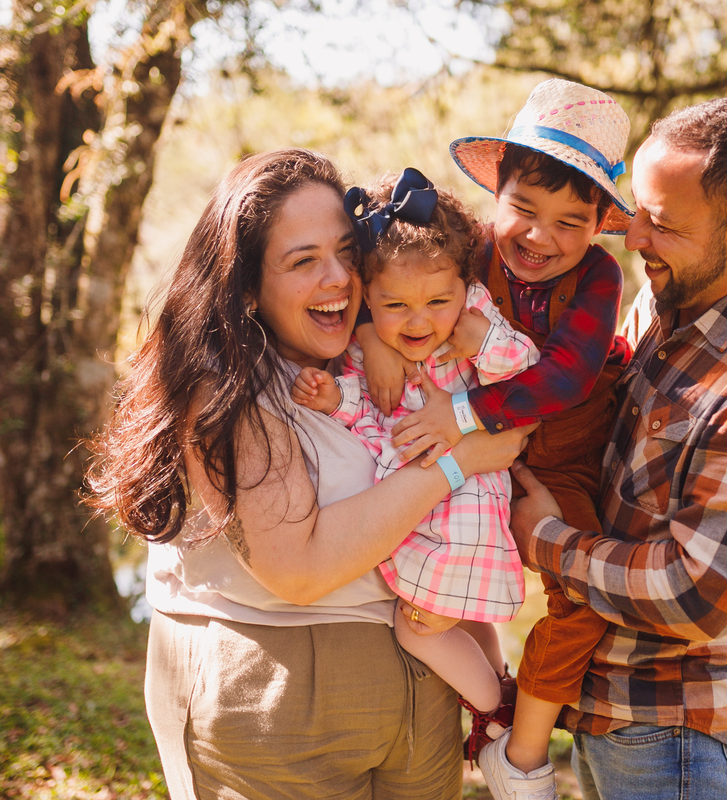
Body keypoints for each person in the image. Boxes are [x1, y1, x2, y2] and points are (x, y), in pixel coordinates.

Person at [85, 149, 530, 800]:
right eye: (303, 262)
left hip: (420, 695)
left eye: (347, 253)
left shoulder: (375, 348)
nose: (339, 280)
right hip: (280, 701)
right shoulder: (222, 390)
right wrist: (461, 460)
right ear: (245, 284)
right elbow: (300, 567)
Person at [508, 97, 727, 800]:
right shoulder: (659, 309)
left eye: (661, 224)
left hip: (686, 745)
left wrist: (546, 540)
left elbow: (699, 596)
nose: (634, 239)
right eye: (636, 213)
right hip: (616, 723)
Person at [359, 78, 636, 800]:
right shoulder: (470, 253)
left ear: (601, 220)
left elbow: (569, 378)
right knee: (435, 581)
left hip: (561, 456)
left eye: (572, 222)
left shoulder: (601, 277)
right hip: (478, 466)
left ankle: (522, 746)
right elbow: (397, 287)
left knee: (580, 599)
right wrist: (372, 338)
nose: (541, 237)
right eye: (524, 210)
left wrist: (469, 413)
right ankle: (487, 704)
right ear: (496, 197)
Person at [290, 168, 538, 723]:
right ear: (368, 299)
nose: (420, 320)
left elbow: (527, 371)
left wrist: (482, 337)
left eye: (436, 302)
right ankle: (497, 695)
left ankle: (498, 711)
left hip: (461, 512)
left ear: (465, 292)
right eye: (395, 307)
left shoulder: (472, 325)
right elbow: (374, 418)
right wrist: (337, 398)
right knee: (468, 621)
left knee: (417, 626)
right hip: (436, 507)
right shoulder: (373, 348)